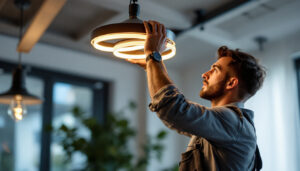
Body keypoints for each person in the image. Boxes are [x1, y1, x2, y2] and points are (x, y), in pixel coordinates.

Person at [126, 20, 266, 171]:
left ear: (231, 83)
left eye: (215, 70)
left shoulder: (232, 121)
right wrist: (152, 65)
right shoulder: (226, 125)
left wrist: (154, 56)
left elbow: (173, 109)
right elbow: (179, 115)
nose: (204, 74)